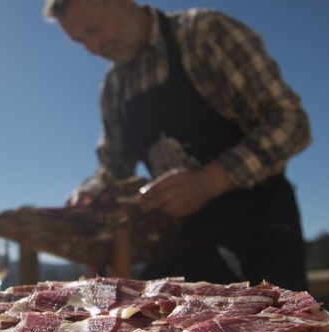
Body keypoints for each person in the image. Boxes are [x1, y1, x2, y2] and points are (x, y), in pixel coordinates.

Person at [44, 0, 311, 291]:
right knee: (157, 327)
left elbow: (291, 122)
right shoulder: (113, 88)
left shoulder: (203, 33)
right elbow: (113, 167)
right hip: (183, 237)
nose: (94, 49)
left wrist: (209, 181)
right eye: (81, 41)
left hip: (261, 228)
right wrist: (91, 193)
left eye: (93, 30)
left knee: (277, 330)